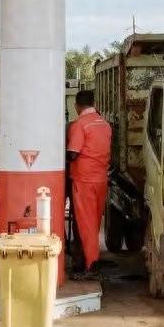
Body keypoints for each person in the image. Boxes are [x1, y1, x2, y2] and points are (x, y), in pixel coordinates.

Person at [66, 89, 112, 272]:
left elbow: (73, 153)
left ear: (77, 106)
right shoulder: (105, 124)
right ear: (93, 104)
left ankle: (91, 263)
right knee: (94, 221)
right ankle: (93, 258)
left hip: (84, 180)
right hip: (101, 179)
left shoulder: (80, 125)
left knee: (86, 223)